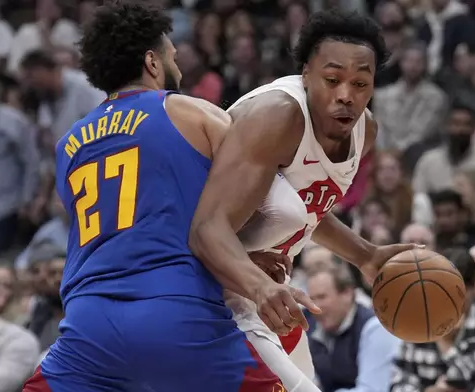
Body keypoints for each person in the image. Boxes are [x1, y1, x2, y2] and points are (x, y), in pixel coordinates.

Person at [23, 2, 317, 391]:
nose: (176, 60)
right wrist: (246, 256)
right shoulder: (190, 113)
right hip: (177, 313)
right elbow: (277, 205)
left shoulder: (68, 146)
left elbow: (133, 226)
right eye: (170, 52)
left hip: (87, 322)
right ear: (152, 61)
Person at [190, 6, 417, 390]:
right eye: (332, 79)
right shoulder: (278, 115)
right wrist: (258, 283)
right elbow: (206, 228)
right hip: (215, 289)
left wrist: (366, 255)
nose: (346, 95)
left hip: (265, 289)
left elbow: (308, 211)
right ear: (306, 75)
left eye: (361, 84)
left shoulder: (366, 132)